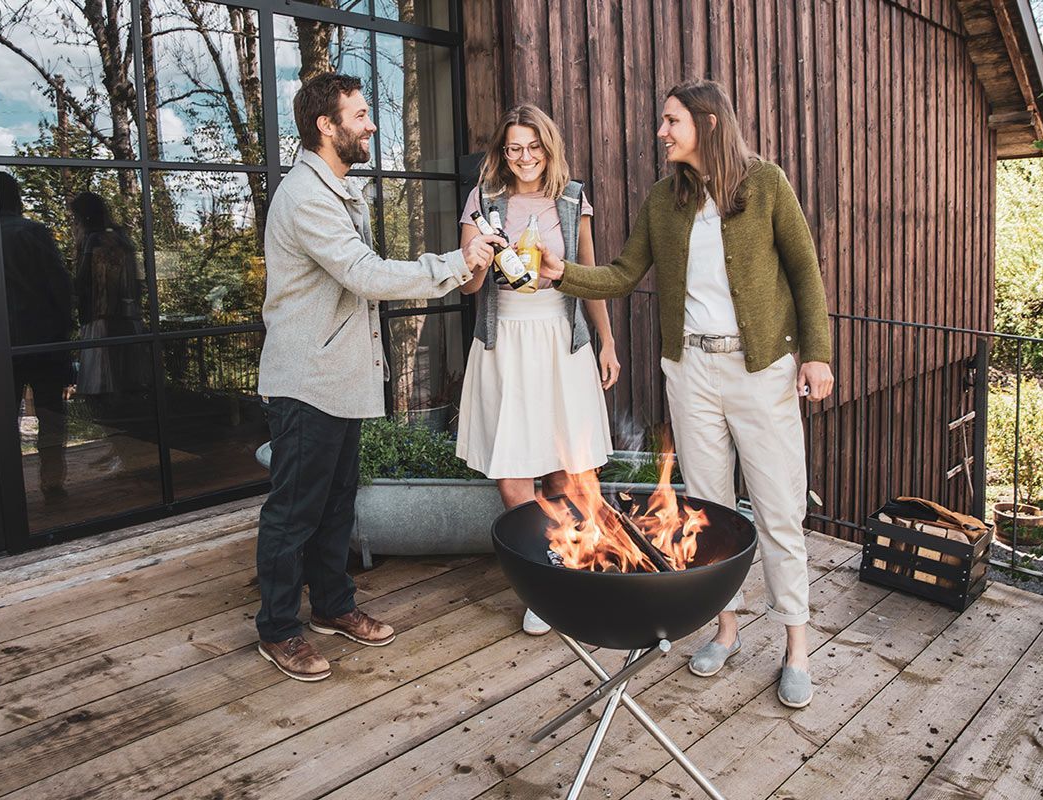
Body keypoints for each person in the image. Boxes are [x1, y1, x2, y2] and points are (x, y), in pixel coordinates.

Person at [539, 79, 834, 708]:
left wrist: (818, 355)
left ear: (707, 122)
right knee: (707, 509)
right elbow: (622, 274)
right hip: (691, 373)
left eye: (671, 121)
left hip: (762, 372)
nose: (661, 131)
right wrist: (564, 273)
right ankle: (725, 631)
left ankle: (797, 647)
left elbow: (806, 274)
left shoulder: (765, 185)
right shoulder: (663, 201)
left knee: (780, 509)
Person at [255, 73, 501, 682]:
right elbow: (364, 275)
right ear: (326, 125)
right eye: (361, 114)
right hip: (307, 380)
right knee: (294, 510)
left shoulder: (337, 189)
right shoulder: (306, 197)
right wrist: (455, 262)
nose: (370, 124)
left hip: (338, 378)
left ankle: (333, 606)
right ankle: (279, 629)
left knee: (337, 501)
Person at [455, 104, 619, 636]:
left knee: (569, 469)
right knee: (512, 474)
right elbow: (468, 288)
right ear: (502, 153)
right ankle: (543, 585)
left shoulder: (572, 200)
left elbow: (589, 277)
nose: (524, 158)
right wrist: (479, 258)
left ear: (548, 147)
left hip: (560, 339)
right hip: (505, 343)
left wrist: (608, 343)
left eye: (533, 146)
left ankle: (572, 569)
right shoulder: (483, 201)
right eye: (513, 148)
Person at [0, 172, 75, 504]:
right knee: (50, 413)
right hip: (43, 338)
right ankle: (52, 482)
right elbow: (58, 283)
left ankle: (6, 488)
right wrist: (67, 325)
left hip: (0, 342)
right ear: (16, 198)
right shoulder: (33, 233)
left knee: (2, 416)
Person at [69, 191, 148, 474]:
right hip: (125, 319)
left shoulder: (94, 241)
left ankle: (125, 452)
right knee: (120, 389)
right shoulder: (120, 238)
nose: (72, 225)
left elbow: (85, 285)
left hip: (104, 322)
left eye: (74, 219)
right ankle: (121, 449)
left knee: (104, 391)